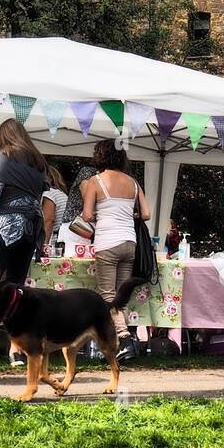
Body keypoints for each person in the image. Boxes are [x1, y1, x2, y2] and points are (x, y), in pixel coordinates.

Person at [0, 119, 55, 366]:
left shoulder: (4, 156)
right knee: (16, 289)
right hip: (30, 228)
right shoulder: (38, 161)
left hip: (4, 225)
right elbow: (41, 193)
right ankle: (15, 351)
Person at [83, 138, 151, 361]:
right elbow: (147, 214)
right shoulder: (133, 182)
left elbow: (87, 215)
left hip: (107, 243)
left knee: (108, 296)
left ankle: (124, 339)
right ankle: (121, 339)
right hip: (129, 243)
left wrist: (100, 214)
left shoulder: (95, 181)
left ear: (100, 156)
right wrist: (129, 214)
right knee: (122, 295)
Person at [40, 162, 69, 256]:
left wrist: (44, 246)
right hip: (65, 239)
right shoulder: (61, 194)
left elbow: (48, 220)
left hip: (55, 241)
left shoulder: (49, 193)